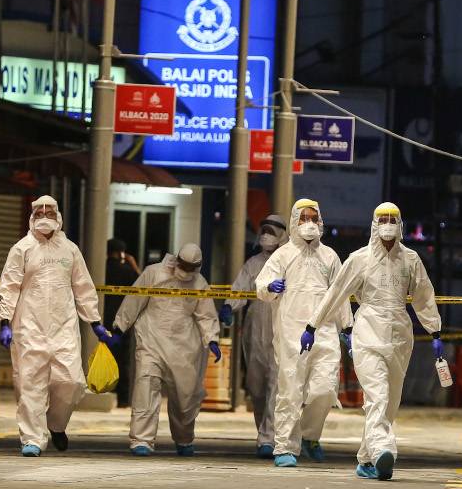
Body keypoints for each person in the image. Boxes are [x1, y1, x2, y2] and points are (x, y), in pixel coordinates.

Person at [301, 202, 442, 481]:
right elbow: (336, 294)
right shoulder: (359, 259)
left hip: (401, 336)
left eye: (392, 219)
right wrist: (312, 326)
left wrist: (435, 331)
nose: (387, 223)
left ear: (400, 224)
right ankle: (383, 452)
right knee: (377, 396)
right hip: (367, 333)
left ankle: (366, 460)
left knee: (390, 403)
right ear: (374, 224)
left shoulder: (411, 259)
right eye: (382, 218)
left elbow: (424, 296)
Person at [0, 195, 113, 456]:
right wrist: (5, 321)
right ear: (32, 217)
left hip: (64, 327)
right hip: (29, 326)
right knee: (29, 385)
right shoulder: (21, 249)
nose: (45, 217)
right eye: (40, 213)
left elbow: (83, 286)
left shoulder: (70, 250)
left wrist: (94, 321)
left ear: (58, 217)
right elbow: (9, 286)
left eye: (50, 213)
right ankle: (33, 439)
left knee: (71, 382)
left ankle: (56, 425)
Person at [256, 200, 352, 467]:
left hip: (325, 332)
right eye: (303, 217)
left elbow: (340, 293)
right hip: (291, 331)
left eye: (313, 217)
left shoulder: (330, 256)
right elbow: (261, 285)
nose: (309, 222)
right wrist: (270, 287)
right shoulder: (283, 255)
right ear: (294, 221)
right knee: (290, 391)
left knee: (326, 388)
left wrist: (348, 327)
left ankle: (309, 435)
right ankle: (284, 447)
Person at [113, 243, 221, 456]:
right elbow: (134, 300)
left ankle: (184, 439)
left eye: (192, 268)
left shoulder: (199, 283)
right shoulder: (153, 273)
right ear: (176, 260)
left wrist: (213, 339)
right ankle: (141, 441)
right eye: (184, 266)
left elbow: (206, 314)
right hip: (151, 339)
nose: (187, 271)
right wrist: (119, 327)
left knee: (184, 399)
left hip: (184, 347)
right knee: (145, 387)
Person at [221, 214, 289, 458]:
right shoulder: (253, 263)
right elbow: (240, 288)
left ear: (282, 234)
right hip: (254, 331)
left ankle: (268, 438)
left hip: (281, 330)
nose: (265, 236)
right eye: (263, 231)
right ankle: (264, 432)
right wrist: (229, 306)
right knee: (257, 387)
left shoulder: (291, 261)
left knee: (275, 386)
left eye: (270, 231)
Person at [105, 238, 141, 408]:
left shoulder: (100, 267)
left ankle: (103, 391)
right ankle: (123, 399)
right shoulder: (126, 271)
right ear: (121, 253)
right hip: (121, 322)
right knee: (122, 361)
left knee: (102, 357)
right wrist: (132, 264)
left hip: (100, 320)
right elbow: (142, 284)